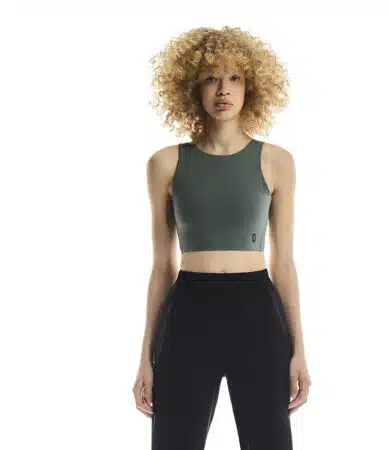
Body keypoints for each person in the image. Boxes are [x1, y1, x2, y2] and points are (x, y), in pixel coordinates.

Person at [132, 25, 311, 450]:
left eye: (235, 78)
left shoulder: (276, 162)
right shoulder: (165, 164)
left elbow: (284, 262)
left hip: (256, 312)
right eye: (211, 78)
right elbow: (162, 266)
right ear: (192, 87)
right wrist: (145, 358)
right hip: (190, 312)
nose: (223, 89)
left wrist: (300, 350)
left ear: (252, 86)